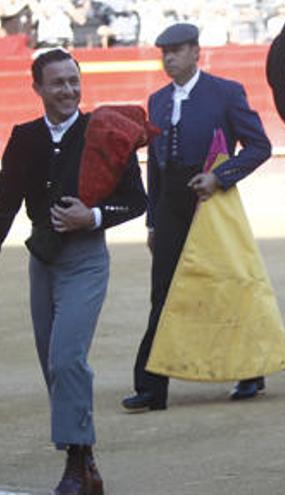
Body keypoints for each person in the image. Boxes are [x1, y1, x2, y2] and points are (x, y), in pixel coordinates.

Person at [0, 48, 147, 494]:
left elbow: (136, 201)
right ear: (38, 88)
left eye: (73, 81)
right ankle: (85, 460)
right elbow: (4, 205)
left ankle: (71, 464)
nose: (68, 90)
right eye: (58, 82)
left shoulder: (102, 131)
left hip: (85, 260)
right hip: (42, 261)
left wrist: (94, 217)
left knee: (67, 357)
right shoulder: (24, 137)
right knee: (52, 364)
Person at [122, 22, 272, 412]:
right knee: (164, 291)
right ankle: (152, 387)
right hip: (171, 202)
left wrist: (220, 177)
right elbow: (155, 168)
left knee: (226, 286)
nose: (168, 57)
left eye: (176, 50)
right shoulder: (156, 100)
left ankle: (251, 370)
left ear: (195, 51)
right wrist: (152, 220)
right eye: (164, 51)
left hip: (211, 203)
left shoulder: (225, 92)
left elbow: (259, 146)